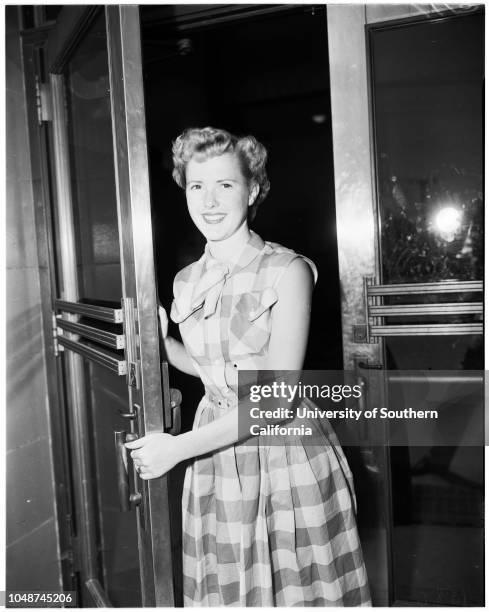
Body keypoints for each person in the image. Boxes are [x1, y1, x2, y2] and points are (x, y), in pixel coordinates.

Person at [125, 127, 371, 606]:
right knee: (229, 586)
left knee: (297, 588)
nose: (209, 201)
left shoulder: (287, 270)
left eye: (225, 185)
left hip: (282, 453)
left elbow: (275, 397)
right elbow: (210, 369)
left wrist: (178, 448)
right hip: (216, 452)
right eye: (197, 186)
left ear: (252, 189)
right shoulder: (186, 279)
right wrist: (161, 342)